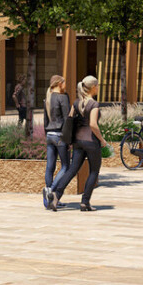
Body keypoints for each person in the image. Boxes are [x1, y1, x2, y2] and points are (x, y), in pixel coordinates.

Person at [46, 75, 106, 213]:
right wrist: (102, 140)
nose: (97, 88)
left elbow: (69, 121)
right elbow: (93, 124)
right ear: (93, 87)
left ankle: (56, 195)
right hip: (91, 142)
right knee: (94, 171)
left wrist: (69, 140)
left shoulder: (76, 103)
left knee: (72, 169)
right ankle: (85, 202)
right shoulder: (94, 105)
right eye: (97, 86)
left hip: (78, 142)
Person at [43, 74, 71, 194]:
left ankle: (49, 198)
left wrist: (47, 135)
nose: (66, 85)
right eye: (64, 83)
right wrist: (69, 138)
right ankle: (51, 190)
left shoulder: (48, 98)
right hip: (60, 135)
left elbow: (45, 120)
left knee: (50, 167)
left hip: (49, 135)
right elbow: (67, 119)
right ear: (60, 84)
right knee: (65, 166)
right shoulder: (62, 97)